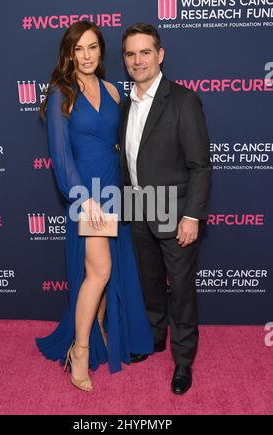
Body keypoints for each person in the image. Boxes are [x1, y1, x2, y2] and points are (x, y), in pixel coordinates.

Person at [36, 21, 153, 392]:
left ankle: (96, 335)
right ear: (69, 54)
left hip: (113, 190)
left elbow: (124, 142)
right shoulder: (61, 92)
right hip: (85, 194)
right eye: (79, 49)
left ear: (101, 51)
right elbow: (60, 152)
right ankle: (81, 350)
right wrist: (83, 199)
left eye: (92, 47)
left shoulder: (114, 90)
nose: (86, 56)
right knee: (100, 271)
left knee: (105, 270)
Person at [119, 23, 212, 395]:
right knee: (150, 284)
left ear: (160, 55)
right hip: (139, 207)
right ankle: (155, 338)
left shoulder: (183, 101)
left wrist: (191, 215)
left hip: (175, 214)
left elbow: (200, 165)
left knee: (183, 291)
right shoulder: (127, 103)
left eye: (145, 52)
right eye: (130, 53)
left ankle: (184, 360)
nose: (138, 60)